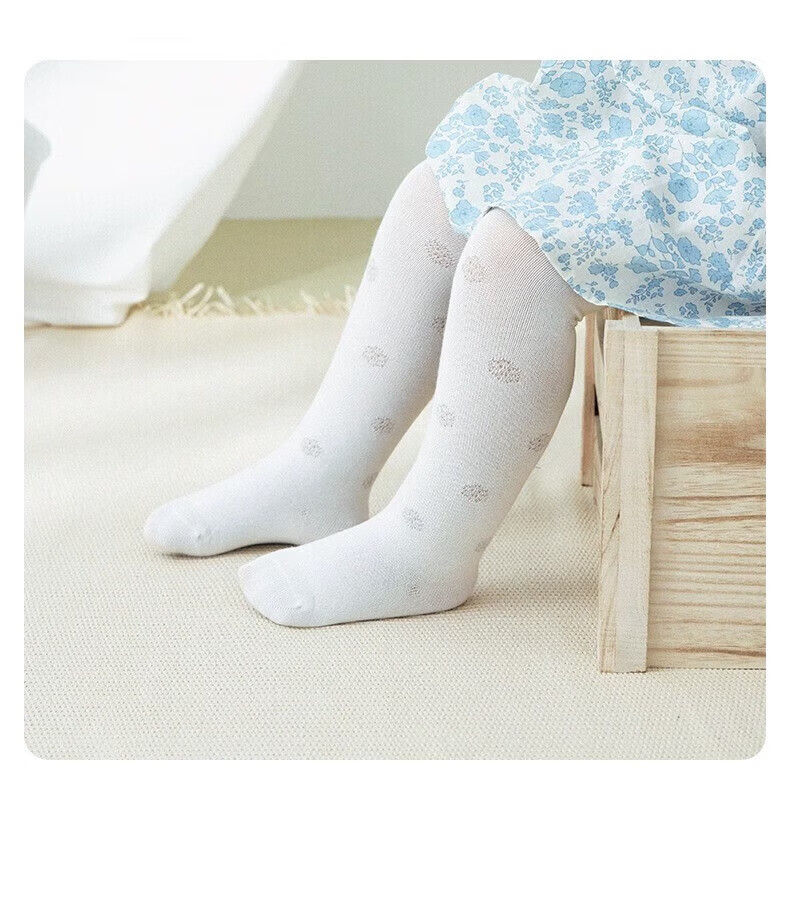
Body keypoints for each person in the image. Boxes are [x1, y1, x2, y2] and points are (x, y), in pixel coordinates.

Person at [144, 60, 766, 627]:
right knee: (438, 194)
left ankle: (429, 547)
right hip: (671, 103)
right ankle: (323, 469)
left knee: (517, 262)